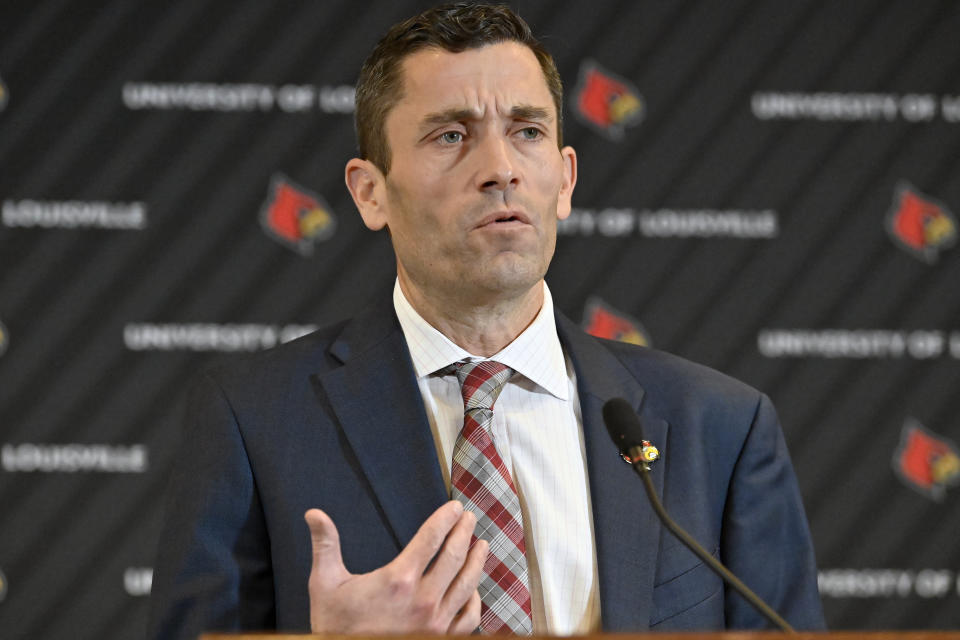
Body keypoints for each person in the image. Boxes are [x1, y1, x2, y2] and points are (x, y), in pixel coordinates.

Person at [147, 3, 826, 638]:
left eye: (527, 131)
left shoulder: (723, 428)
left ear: (564, 180)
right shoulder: (256, 419)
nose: (500, 169)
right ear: (369, 192)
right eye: (451, 136)